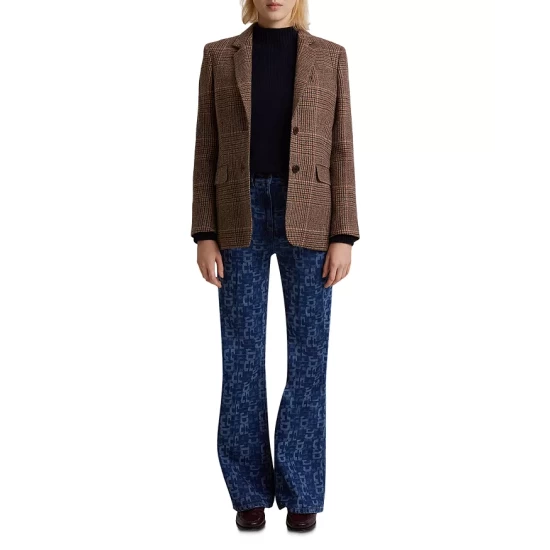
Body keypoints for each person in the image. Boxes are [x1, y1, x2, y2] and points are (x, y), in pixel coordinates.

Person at [191, 0, 359, 533]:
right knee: (241, 358)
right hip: (237, 214)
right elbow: (206, 147)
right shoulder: (220, 56)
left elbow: (342, 149)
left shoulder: (330, 57)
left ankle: (302, 488)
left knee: (309, 358)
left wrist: (343, 234)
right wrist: (204, 232)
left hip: (311, 217)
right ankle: (248, 492)